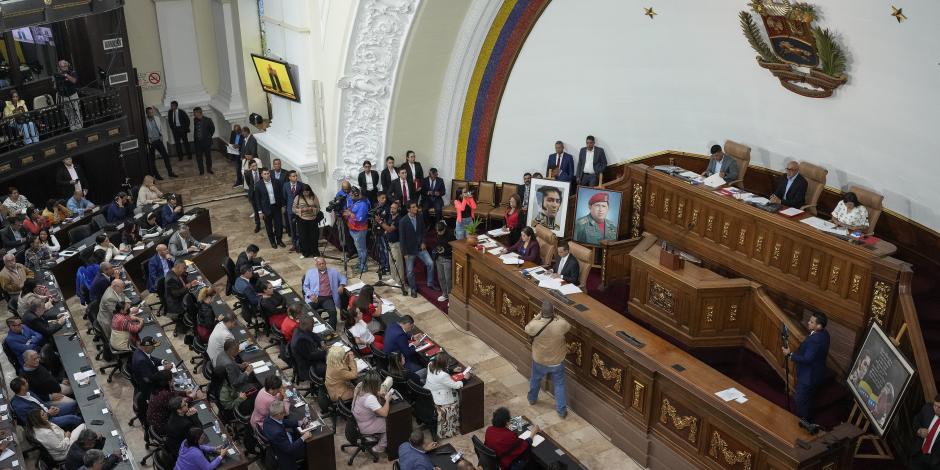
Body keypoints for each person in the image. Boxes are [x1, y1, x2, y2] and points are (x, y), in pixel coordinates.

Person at [525, 300, 571, 418]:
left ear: (541, 312)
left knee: (535, 380)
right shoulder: (559, 324)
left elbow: (527, 328)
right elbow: (568, 325)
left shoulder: (535, 325)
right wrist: (556, 316)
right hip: (556, 361)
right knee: (559, 385)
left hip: (540, 360)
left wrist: (538, 317)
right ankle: (561, 410)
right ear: (553, 312)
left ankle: (532, 399)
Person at [781, 312, 830, 423]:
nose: (808, 322)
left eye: (811, 322)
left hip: (808, 377)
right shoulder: (825, 334)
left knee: (800, 400)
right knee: (808, 399)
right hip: (817, 373)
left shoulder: (814, 340)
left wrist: (790, 355)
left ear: (819, 326)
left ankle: (804, 422)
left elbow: (808, 359)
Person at [9, 376, 82, 430]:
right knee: (73, 418)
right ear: (22, 387)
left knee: (73, 404)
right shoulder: (20, 407)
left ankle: (71, 425)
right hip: (46, 422)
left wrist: (51, 408)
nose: (28, 383)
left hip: (48, 410)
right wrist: (48, 413)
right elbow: (33, 423)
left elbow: (41, 403)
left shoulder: (28, 392)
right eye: (26, 382)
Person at [424, 352, 467, 439]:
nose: (448, 364)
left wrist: (452, 370)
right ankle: (451, 428)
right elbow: (456, 385)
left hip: (431, 391)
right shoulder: (443, 375)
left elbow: (440, 372)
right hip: (440, 399)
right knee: (458, 397)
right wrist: (465, 378)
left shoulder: (430, 364)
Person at [352, 371, 394, 454]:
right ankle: (379, 447)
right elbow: (384, 413)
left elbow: (370, 391)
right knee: (390, 423)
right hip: (364, 425)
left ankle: (375, 435)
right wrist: (387, 400)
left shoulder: (360, 385)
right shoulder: (369, 398)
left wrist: (379, 394)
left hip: (357, 418)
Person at [399, 202, 436, 297]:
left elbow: (424, 231)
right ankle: (413, 288)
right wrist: (405, 253)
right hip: (409, 250)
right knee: (410, 271)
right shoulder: (403, 221)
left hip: (420, 247)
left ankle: (430, 283)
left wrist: (423, 242)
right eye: (413, 207)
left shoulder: (420, 217)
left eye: (416, 207)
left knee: (430, 263)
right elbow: (402, 238)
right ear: (408, 209)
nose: (416, 208)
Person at [262, 400, 312, 469]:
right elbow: (289, 449)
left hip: (282, 442)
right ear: (278, 414)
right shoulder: (276, 433)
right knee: (310, 448)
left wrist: (299, 423)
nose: (285, 413)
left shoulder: (269, 417)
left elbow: (282, 422)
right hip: (285, 454)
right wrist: (304, 437)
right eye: (283, 412)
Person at [302, 257, 347, 328]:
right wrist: (310, 295)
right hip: (315, 297)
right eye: (319, 264)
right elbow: (305, 286)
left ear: (325, 264)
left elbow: (343, 278)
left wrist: (341, 285)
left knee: (333, 312)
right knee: (306, 311)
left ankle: (332, 329)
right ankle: (313, 328)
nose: (321, 265)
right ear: (316, 265)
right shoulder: (310, 272)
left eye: (323, 263)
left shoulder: (333, 271)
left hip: (328, 298)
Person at [131, 336, 171, 402]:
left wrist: (163, 361)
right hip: (148, 386)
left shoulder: (140, 351)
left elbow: (150, 358)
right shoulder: (142, 360)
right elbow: (150, 378)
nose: (154, 348)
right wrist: (164, 369)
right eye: (153, 346)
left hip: (147, 376)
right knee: (168, 379)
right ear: (146, 347)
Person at [255, 168, 286, 248]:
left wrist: (283, 205)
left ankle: (279, 240)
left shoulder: (276, 182)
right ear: (261, 175)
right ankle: (272, 242)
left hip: (276, 207)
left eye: (268, 173)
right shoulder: (258, 185)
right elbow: (258, 200)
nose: (267, 175)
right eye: (265, 174)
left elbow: (280, 194)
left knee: (279, 225)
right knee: (269, 226)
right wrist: (260, 212)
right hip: (266, 209)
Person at [291, 315, 327, 381]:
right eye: (312, 325)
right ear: (305, 325)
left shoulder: (301, 329)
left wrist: (321, 342)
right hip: (308, 365)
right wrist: (325, 352)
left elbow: (314, 335)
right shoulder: (301, 340)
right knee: (332, 367)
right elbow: (310, 356)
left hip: (311, 356)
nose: (313, 327)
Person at [379, 200, 406, 289]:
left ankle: (400, 281)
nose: (391, 209)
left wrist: (380, 222)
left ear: (398, 209)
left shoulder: (399, 218)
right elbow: (388, 228)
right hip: (390, 243)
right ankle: (394, 278)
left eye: (394, 208)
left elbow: (390, 229)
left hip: (396, 244)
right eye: (391, 208)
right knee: (391, 262)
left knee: (398, 263)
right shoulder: (391, 217)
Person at [144, 106, 176, 179]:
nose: (151, 113)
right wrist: (149, 141)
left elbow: (160, 128)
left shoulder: (157, 119)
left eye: (152, 112)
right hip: (151, 142)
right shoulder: (145, 122)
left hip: (158, 140)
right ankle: (156, 175)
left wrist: (161, 136)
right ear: (147, 113)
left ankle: (170, 172)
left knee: (166, 156)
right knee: (152, 160)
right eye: (150, 113)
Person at [909, 395, 940, 469]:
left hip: (935, 463)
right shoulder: (927, 409)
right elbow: (916, 420)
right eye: (935, 405)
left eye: (939, 407)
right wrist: (919, 430)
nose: (935, 409)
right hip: (918, 453)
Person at [344, 187, 370, 273]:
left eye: (351, 195)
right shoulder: (356, 201)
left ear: (357, 194)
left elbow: (360, 219)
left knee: (361, 249)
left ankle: (363, 266)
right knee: (358, 248)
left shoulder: (363, 204)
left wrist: (350, 213)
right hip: (353, 229)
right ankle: (360, 263)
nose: (350, 197)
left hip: (360, 230)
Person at [292, 183, 321, 258]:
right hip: (302, 220)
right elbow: (293, 209)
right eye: (304, 192)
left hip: (312, 219)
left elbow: (318, 208)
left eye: (307, 192)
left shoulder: (313, 197)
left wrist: (312, 209)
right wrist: (302, 210)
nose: (306, 194)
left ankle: (315, 253)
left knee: (313, 237)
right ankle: (305, 253)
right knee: (303, 237)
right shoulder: (297, 197)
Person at [54, 60, 82, 130]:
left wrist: (66, 75)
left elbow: (74, 81)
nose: (63, 68)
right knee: (68, 113)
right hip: (63, 96)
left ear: (67, 65)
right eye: (61, 66)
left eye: (64, 66)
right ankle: (72, 127)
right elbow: (55, 87)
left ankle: (79, 127)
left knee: (76, 111)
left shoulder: (72, 72)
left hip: (72, 95)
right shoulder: (58, 74)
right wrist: (57, 78)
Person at [432, 221, 454, 303]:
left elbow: (453, 247)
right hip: (439, 258)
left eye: (440, 231)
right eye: (437, 231)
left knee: (448, 279)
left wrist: (446, 250)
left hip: (447, 259)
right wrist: (438, 249)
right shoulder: (438, 233)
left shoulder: (451, 234)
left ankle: (451, 298)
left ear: (444, 228)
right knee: (441, 277)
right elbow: (436, 243)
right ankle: (445, 294)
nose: (439, 233)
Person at [282, 170, 302, 251]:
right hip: (290, 210)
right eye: (293, 176)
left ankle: (300, 243)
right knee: (292, 228)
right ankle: (294, 244)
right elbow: (284, 197)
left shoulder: (301, 185)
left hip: (299, 210)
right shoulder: (285, 185)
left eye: (296, 176)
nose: (295, 177)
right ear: (289, 177)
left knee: (300, 227)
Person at [192, 106, 215, 175]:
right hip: (198, 143)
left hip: (206, 142)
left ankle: (209, 169)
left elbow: (212, 130)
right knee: (199, 157)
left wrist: (207, 137)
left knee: (208, 156)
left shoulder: (208, 120)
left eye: (194, 113)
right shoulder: (195, 120)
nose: (194, 114)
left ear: (199, 113)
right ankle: (201, 171)